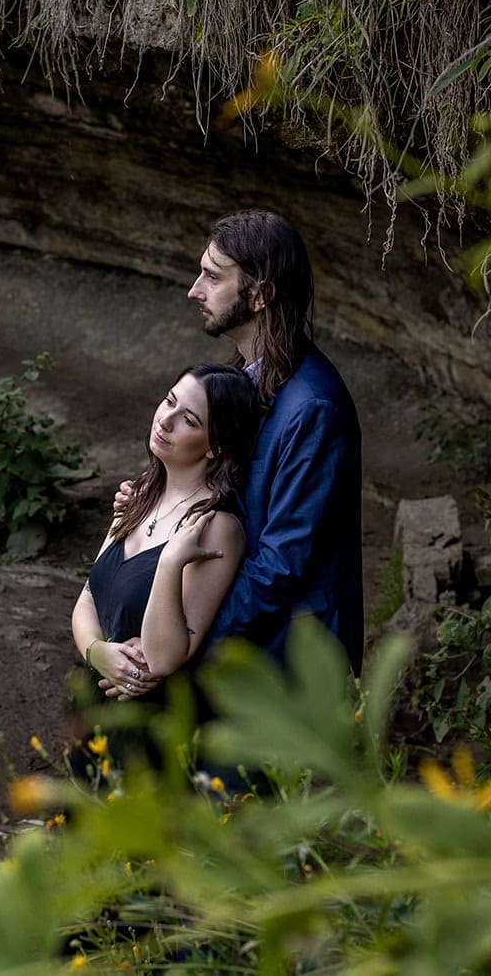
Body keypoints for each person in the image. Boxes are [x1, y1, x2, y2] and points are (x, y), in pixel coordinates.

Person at [110, 209, 364, 688]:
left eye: (212, 276)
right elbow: (222, 487)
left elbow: (280, 565)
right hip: (242, 645)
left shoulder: (314, 407)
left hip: (288, 661)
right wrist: (153, 507)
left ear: (261, 294)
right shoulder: (250, 374)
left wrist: (186, 643)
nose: (194, 290)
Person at [72, 364, 259, 713]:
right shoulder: (141, 492)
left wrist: (170, 562)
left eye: (188, 420)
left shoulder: (215, 527)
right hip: (95, 701)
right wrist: (98, 653)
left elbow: (164, 657)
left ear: (215, 446)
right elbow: (87, 598)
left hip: (153, 721)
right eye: (168, 401)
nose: (165, 420)